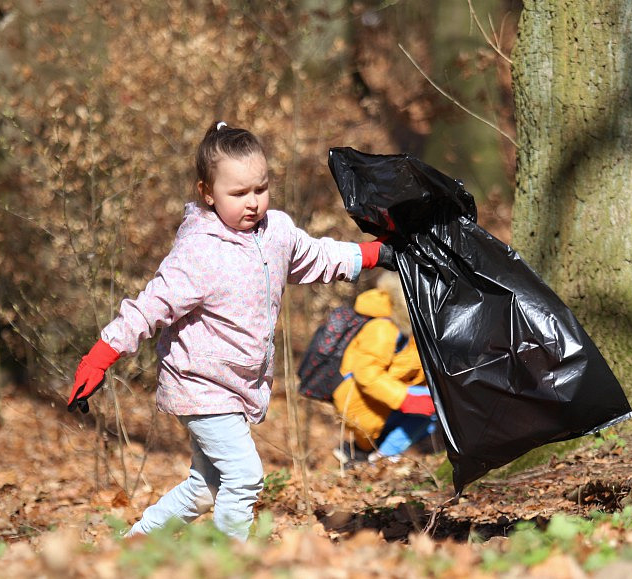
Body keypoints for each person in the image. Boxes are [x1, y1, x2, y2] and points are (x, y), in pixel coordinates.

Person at [65, 121, 397, 541]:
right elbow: (149, 307)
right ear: (207, 193)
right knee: (244, 476)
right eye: (238, 194)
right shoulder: (200, 251)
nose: (253, 203)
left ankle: (130, 548)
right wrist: (100, 356)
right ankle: (226, 561)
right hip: (200, 384)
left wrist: (374, 253)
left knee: (205, 489)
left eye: (260, 189)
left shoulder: (275, 231)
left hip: (237, 385)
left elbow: (314, 256)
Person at [331, 272, 437, 465]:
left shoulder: (408, 328)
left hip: (376, 402)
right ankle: (382, 461)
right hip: (359, 402)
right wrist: (404, 398)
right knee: (434, 407)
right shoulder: (384, 327)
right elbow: (367, 374)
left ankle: (362, 454)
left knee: (437, 404)